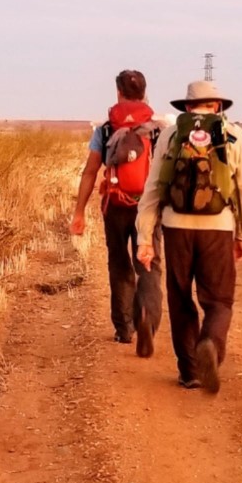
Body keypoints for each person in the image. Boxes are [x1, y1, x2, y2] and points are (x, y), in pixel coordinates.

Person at [134, 79, 242, 393]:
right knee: (218, 301)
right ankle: (210, 345)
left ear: (187, 107)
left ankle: (189, 371)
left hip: (176, 228)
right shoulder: (233, 134)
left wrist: (145, 238)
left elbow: (153, 188)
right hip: (218, 228)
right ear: (217, 106)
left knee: (180, 299)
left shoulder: (172, 134)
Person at [70, 69, 166, 357]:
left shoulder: (106, 129)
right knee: (149, 262)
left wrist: (79, 212)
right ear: (144, 93)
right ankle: (147, 318)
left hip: (114, 205)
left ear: (119, 93)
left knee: (119, 263)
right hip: (147, 207)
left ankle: (124, 328)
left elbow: (90, 172)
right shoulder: (158, 129)